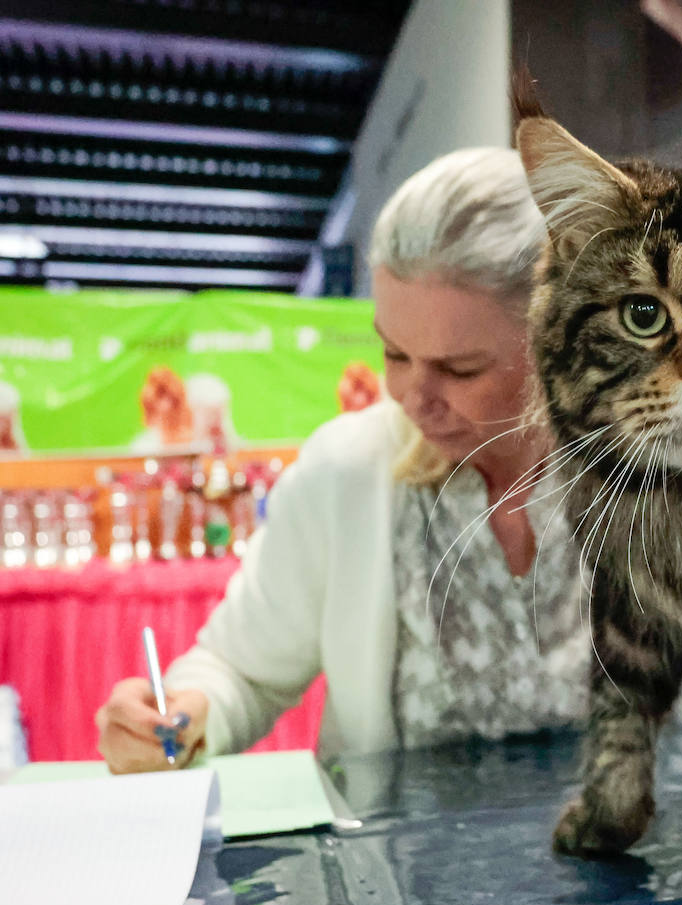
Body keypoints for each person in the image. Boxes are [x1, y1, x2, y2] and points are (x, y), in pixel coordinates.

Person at [96, 148, 593, 772]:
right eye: (394, 355)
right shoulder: (345, 471)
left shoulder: (661, 473)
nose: (413, 397)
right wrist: (182, 715)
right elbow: (239, 670)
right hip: (391, 867)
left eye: (459, 369)